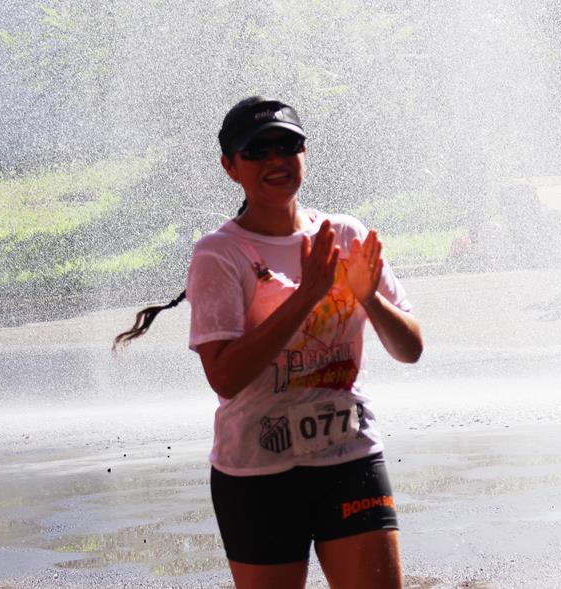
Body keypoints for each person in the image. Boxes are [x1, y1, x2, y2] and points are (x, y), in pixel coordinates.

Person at [114, 96, 423, 589]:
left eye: (287, 144)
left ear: (305, 152)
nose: (275, 158)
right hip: (257, 473)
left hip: (351, 455)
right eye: (257, 150)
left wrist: (370, 299)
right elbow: (227, 377)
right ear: (230, 167)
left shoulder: (345, 234)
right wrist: (307, 297)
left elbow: (410, 349)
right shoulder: (219, 254)